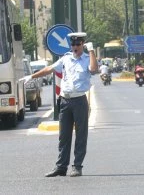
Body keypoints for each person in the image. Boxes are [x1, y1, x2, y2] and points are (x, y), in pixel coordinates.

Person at [21, 32, 97, 177]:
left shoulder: (87, 59)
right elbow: (49, 69)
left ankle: (77, 166)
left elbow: (93, 69)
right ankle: (61, 167)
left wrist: (92, 50)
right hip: (65, 101)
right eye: (72, 44)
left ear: (83, 45)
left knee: (81, 135)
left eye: (77, 44)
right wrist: (32, 76)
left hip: (79, 100)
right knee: (64, 136)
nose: (74, 47)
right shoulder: (66, 59)